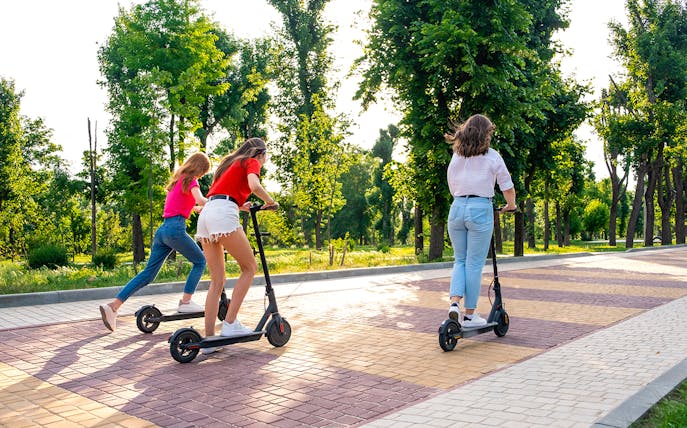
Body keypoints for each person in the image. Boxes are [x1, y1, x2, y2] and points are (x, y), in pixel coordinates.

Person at [99, 152, 211, 332]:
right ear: (199, 168)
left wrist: (196, 208)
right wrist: (213, 202)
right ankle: (186, 301)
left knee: (148, 274)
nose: (201, 176)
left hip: (163, 230)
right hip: (176, 229)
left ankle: (113, 306)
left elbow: (183, 203)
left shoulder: (177, 180)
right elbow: (199, 198)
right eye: (203, 173)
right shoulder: (192, 180)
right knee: (200, 261)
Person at [196, 137, 278, 354]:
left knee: (217, 280)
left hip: (207, 215)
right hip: (222, 214)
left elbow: (222, 195)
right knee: (249, 267)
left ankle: (209, 340)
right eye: (265, 158)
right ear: (260, 153)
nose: (263, 162)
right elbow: (254, 185)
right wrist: (270, 202)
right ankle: (230, 324)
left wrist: (242, 206)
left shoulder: (230, 164)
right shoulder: (251, 161)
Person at [444, 114, 516, 327]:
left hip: (456, 207)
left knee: (460, 260)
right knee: (474, 264)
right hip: (480, 208)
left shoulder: (457, 155)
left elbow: (451, 183)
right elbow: (507, 186)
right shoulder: (492, 156)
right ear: (485, 135)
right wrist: (510, 206)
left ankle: (454, 303)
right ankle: (469, 316)